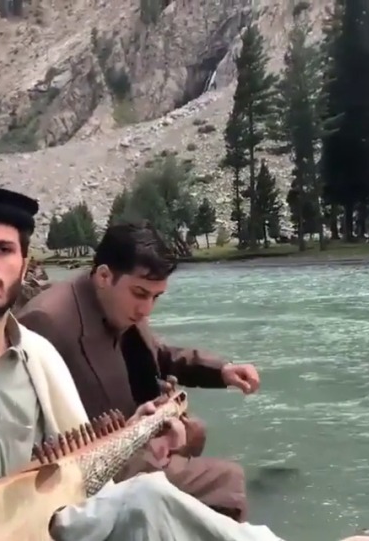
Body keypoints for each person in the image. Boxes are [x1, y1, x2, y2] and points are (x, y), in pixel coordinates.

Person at [0, 187, 369, 541]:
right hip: (44, 510)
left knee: (189, 476)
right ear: (105, 276)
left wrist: (214, 375)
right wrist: (137, 440)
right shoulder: (49, 323)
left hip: (64, 499)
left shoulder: (35, 352)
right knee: (153, 495)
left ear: (23, 262)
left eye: (2, 249)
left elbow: (155, 360)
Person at [16, 221, 260, 521]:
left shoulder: (120, 302)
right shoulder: (46, 322)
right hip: (92, 475)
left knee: (196, 430)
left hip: (138, 439)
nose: (147, 309)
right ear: (104, 276)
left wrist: (222, 371)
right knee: (227, 481)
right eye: (141, 294)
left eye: (155, 297)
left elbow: (157, 353)